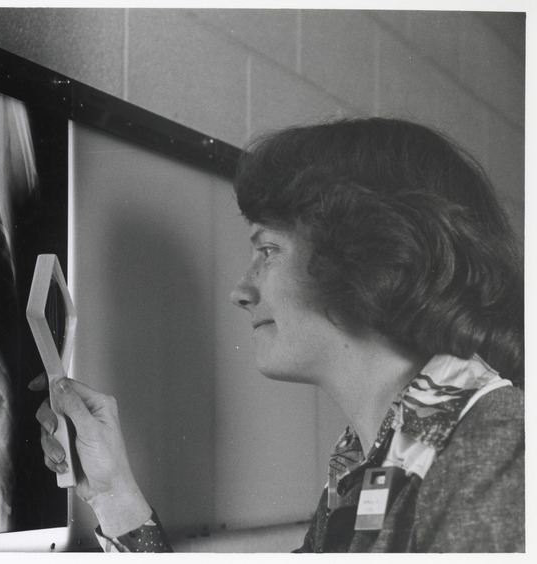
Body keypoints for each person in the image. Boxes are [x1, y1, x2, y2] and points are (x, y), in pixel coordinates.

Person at [28, 117, 525, 552]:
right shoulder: (370, 467)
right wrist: (113, 493)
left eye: (268, 250)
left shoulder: (503, 460)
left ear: (372, 256)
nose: (241, 291)